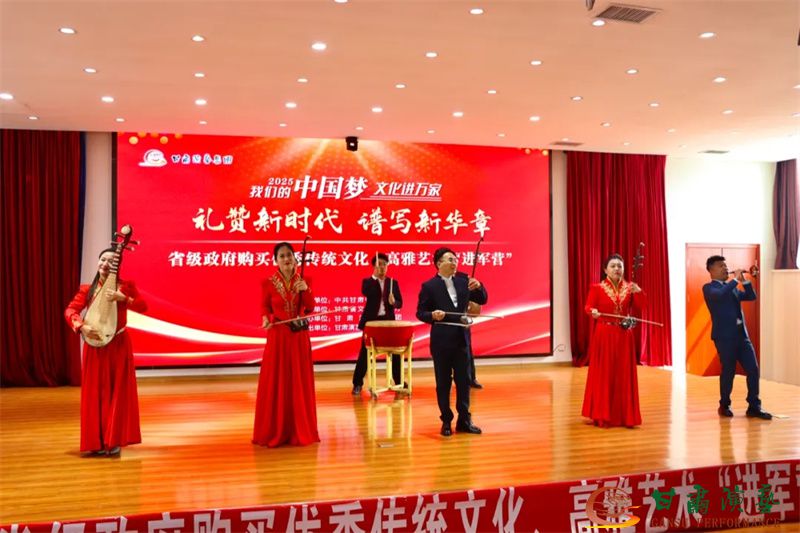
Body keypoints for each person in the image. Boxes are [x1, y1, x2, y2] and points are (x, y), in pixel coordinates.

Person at [64, 247, 147, 456]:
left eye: (111, 260)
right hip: (95, 345)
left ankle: (114, 439)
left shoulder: (126, 287)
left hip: (118, 344)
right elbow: (71, 310)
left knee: (117, 391)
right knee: (95, 392)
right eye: (102, 260)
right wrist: (81, 326)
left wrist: (124, 298)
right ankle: (96, 441)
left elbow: (143, 306)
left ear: (117, 264)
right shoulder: (87, 289)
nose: (105, 264)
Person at [253, 241, 320, 447]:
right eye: (281, 256)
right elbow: (265, 307)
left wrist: (306, 290)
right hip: (278, 337)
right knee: (278, 381)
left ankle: (300, 429)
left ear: (295, 258)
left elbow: (310, 307)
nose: (286, 259)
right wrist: (266, 319)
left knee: (298, 381)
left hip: (298, 337)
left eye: (289, 255)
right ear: (276, 260)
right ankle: (277, 429)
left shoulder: (305, 280)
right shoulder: (267, 283)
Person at [417, 247, 488, 436]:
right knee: (443, 383)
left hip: (462, 340)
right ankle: (446, 420)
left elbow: (483, 299)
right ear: (439, 263)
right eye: (450, 259)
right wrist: (432, 315)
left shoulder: (464, 280)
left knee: (464, 382)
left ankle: (464, 420)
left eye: (456, 259)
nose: (454, 262)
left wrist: (479, 286)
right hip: (441, 342)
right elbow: (420, 312)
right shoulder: (429, 286)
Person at [703, 255, 771, 419]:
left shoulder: (731, 287)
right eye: (721, 266)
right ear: (711, 270)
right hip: (724, 338)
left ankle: (754, 406)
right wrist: (735, 280)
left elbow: (751, 296)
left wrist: (745, 281)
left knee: (753, 369)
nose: (726, 268)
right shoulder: (709, 288)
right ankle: (724, 405)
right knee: (729, 371)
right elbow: (720, 295)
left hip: (742, 337)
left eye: (726, 266)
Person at [582, 253, 644, 428]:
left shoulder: (630, 288)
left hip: (624, 336)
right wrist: (593, 312)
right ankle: (602, 414)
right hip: (604, 334)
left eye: (620, 266)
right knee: (605, 373)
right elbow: (588, 307)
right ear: (605, 270)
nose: (617, 269)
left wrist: (639, 293)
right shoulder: (597, 288)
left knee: (623, 374)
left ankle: (625, 416)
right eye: (613, 266)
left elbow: (642, 307)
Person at [352, 253, 404, 395]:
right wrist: (375, 277)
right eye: (379, 264)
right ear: (374, 267)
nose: (382, 267)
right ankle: (357, 383)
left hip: (388, 323)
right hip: (371, 323)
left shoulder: (393, 283)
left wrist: (394, 302)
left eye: (384, 264)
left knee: (395, 353)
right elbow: (366, 292)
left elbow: (400, 303)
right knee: (365, 353)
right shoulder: (368, 282)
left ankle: (399, 382)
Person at [456, 271, 483, 389]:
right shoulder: (438, 281)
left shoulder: (464, 278)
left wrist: (477, 287)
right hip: (448, 321)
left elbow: (480, 299)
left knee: (467, 351)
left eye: (454, 261)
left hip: (463, 321)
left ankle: (471, 378)